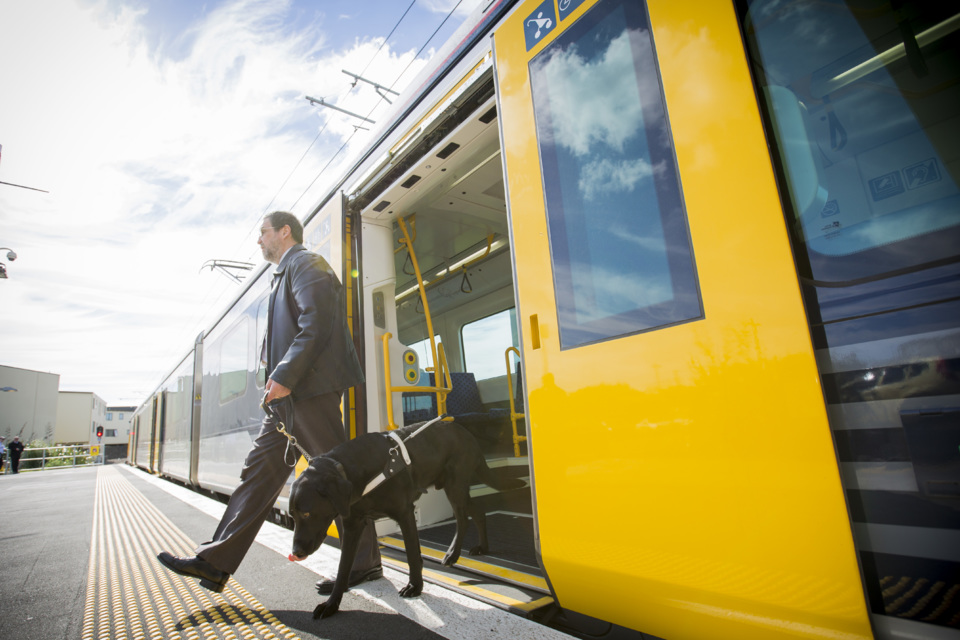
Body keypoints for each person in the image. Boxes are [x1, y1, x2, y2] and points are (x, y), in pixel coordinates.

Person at [158, 211, 381, 594]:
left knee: (335, 477)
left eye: (262, 233)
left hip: (307, 393)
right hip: (287, 402)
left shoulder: (306, 263)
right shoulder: (283, 274)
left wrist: (283, 376)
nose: (258, 241)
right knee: (257, 477)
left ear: (284, 231)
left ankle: (363, 563)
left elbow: (318, 322)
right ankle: (215, 562)